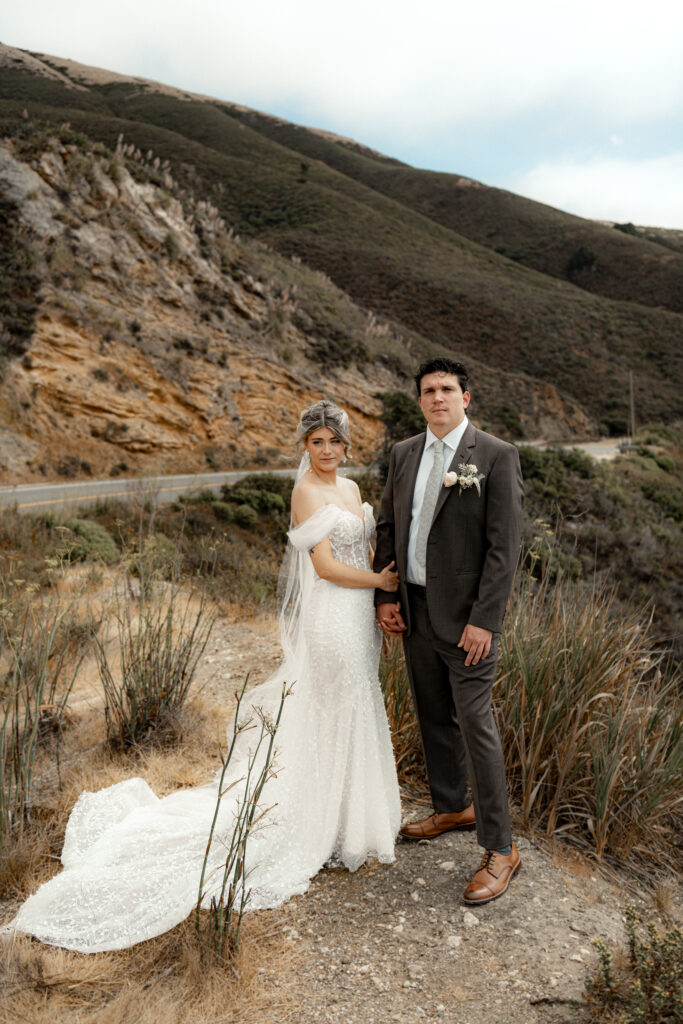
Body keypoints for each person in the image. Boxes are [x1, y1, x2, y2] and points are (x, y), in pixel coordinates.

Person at [3, 400, 401, 952]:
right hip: (332, 616)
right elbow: (327, 567)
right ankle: (314, 820)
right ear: (304, 447)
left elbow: (369, 546)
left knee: (358, 701)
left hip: (359, 618)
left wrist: (383, 595)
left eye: (335, 440)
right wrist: (380, 585)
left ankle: (346, 819)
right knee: (332, 704)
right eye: (317, 441)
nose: (327, 450)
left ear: (347, 444)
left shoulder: (354, 492)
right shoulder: (306, 491)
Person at [374, 358, 523, 905]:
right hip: (413, 610)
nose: (437, 398)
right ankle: (450, 806)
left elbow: (503, 550)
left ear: (467, 397)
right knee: (432, 714)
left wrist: (485, 620)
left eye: (447, 390)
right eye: (428, 391)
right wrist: (386, 596)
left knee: (476, 726)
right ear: (419, 400)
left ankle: (501, 848)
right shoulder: (404, 453)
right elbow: (390, 526)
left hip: (466, 623)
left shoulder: (495, 457)